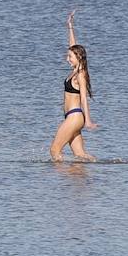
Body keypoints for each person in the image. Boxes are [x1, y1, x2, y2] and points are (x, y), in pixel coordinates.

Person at [50, 9, 98, 162]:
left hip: (75, 116)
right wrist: (70, 26)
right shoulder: (75, 70)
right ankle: (84, 178)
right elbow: (73, 46)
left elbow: (84, 98)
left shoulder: (80, 74)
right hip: (72, 117)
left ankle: (60, 182)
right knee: (81, 155)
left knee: (54, 150)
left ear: (78, 57)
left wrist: (88, 120)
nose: (67, 59)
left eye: (69, 56)